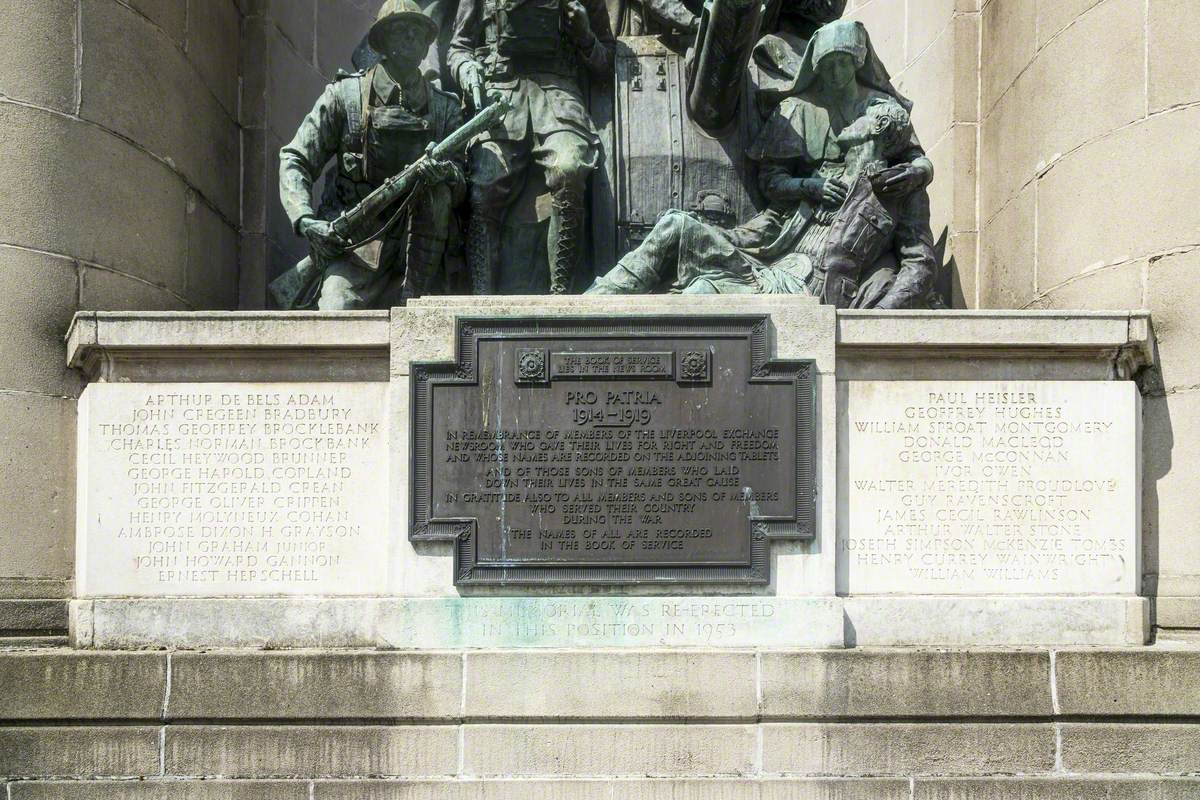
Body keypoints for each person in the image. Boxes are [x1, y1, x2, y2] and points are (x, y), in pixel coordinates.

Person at [586, 19, 938, 309]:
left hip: (808, 290)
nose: (854, 142)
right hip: (767, 263)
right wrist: (809, 187)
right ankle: (584, 313)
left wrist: (878, 320)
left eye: (866, 136)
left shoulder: (899, 195)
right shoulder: (817, 161)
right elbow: (773, 191)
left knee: (701, 298)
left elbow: (919, 263)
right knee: (678, 228)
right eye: (852, 136)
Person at [277, 0, 466, 310]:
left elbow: (463, 188)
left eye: (418, 31)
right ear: (382, 42)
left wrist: (447, 174)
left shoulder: (445, 109)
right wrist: (305, 220)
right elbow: (295, 158)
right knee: (335, 313)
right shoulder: (345, 97)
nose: (411, 37)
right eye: (401, 30)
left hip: (424, 256)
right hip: (357, 249)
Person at [448, 0, 616, 294]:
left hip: (558, 95)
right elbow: (458, 47)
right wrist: (466, 68)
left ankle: (560, 296)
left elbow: (606, 60)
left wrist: (586, 36)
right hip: (498, 94)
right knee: (483, 187)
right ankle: (479, 301)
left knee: (570, 169)